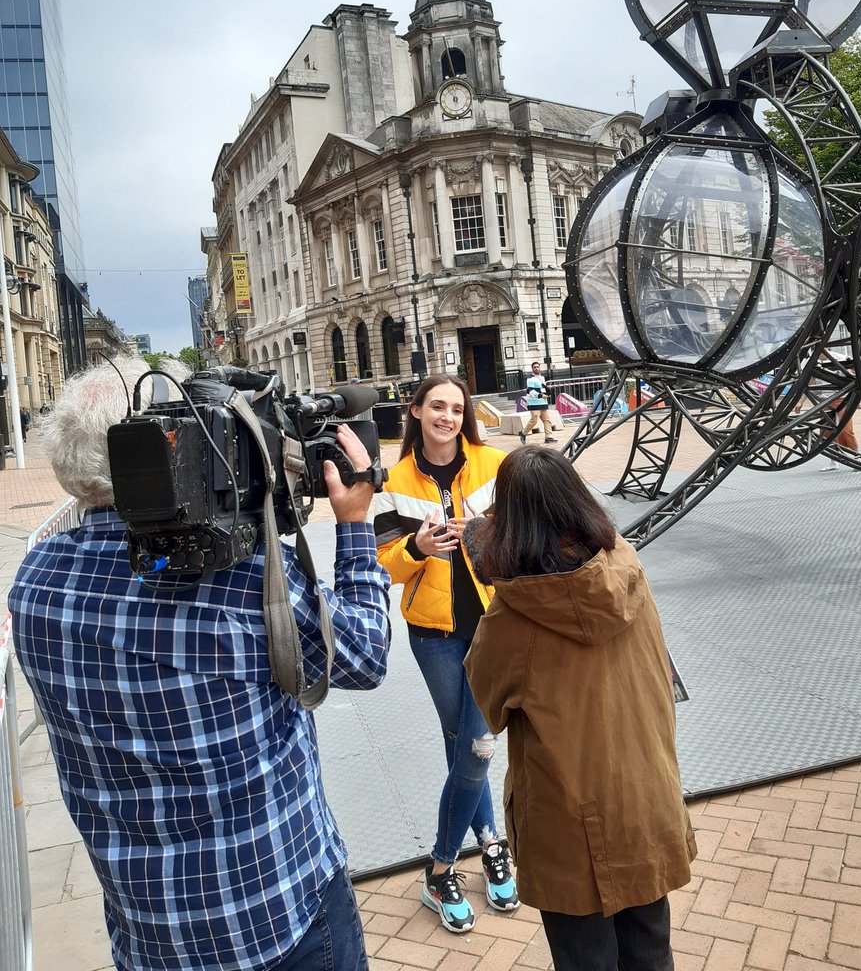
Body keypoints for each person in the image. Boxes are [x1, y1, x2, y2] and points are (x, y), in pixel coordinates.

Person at [9, 359, 391, 971]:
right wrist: (354, 527)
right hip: (277, 916)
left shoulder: (34, 582)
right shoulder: (238, 577)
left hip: (150, 935)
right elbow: (366, 654)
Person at [464, 446, 696, 971]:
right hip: (644, 796)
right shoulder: (625, 564)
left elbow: (489, 702)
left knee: (585, 960)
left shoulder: (514, 615)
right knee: (651, 953)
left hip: (569, 819)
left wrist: (483, 555)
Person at [373, 374, 518, 932]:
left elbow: (519, 535)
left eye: (457, 407)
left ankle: (440, 865)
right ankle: (491, 842)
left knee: (477, 742)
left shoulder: (494, 465)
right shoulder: (394, 479)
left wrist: (480, 530)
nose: (448, 416)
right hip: (432, 631)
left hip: (491, 624)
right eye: (437, 405)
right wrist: (418, 546)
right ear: (414, 411)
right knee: (464, 741)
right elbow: (382, 564)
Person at [520, 361, 555, 444]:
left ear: (540, 368)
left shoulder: (542, 378)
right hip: (534, 402)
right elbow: (530, 390)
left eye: (537, 367)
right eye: (534, 367)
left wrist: (547, 394)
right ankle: (523, 433)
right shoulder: (530, 379)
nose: (536, 368)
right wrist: (540, 395)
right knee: (534, 420)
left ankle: (549, 437)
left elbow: (543, 388)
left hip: (543, 402)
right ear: (532, 369)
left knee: (547, 420)